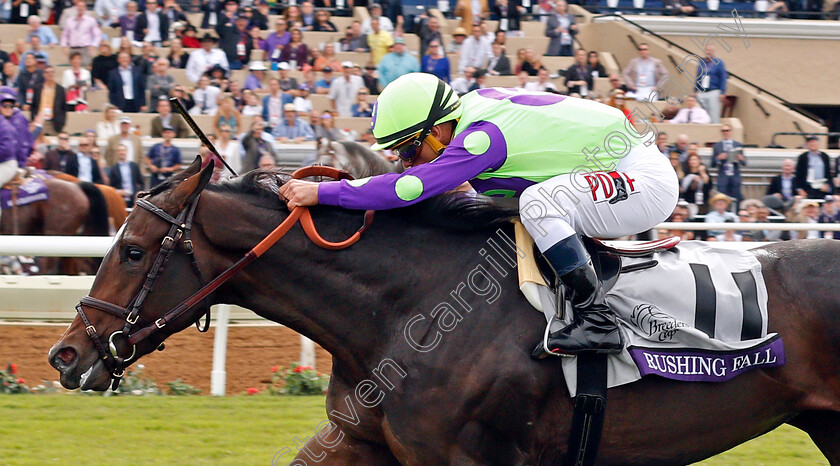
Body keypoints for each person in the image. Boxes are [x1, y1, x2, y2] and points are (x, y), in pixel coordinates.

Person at [279, 73, 679, 356]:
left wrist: (321, 192)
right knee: (527, 205)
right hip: (613, 166)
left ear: (436, 131)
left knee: (538, 205)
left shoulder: (482, 137)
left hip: (642, 178)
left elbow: (408, 188)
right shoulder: (470, 115)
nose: (405, 162)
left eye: (406, 150)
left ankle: (598, 321)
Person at [711, 124, 745, 207]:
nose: (725, 132)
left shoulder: (738, 145)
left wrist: (740, 158)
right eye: (723, 131)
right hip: (723, 175)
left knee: (737, 197)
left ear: (731, 132)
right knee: (722, 197)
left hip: (735, 174)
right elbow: (712, 163)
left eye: (727, 130)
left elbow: (744, 162)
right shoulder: (717, 146)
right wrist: (718, 158)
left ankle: (736, 214)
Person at [695, 45, 727, 124]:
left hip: (713, 91)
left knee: (714, 114)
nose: (708, 52)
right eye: (706, 50)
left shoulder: (719, 63)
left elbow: (723, 77)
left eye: (710, 50)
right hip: (702, 92)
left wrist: (722, 92)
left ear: (713, 52)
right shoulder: (701, 62)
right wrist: (695, 89)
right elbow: (698, 76)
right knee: (703, 114)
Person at [31, 66, 66, 135]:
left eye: (52, 72)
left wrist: (61, 121)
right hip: (40, 121)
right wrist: (34, 118)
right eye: (47, 72)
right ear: (44, 74)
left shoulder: (60, 89)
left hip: (54, 122)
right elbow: (33, 105)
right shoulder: (37, 88)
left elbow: (63, 107)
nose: (50, 74)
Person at [681, 150, 711, 214]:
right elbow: (685, 189)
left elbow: (707, 184)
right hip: (690, 201)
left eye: (695, 160)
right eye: (691, 160)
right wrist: (694, 182)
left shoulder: (704, 172)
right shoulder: (686, 173)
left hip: (703, 201)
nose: (693, 162)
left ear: (699, 161)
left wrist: (702, 172)